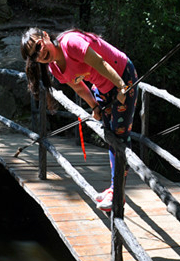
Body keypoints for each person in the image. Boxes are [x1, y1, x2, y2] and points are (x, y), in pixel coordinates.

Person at [20, 27, 138, 211]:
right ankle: (115, 189)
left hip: (121, 75)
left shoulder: (71, 43)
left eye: (38, 46)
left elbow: (100, 63)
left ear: (45, 36)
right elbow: (79, 87)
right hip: (103, 87)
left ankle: (117, 194)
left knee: (119, 135)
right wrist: (94, 106)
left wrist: (122, 86)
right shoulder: (55, 68)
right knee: (110, 136)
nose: (39, 53)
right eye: (34, 55)